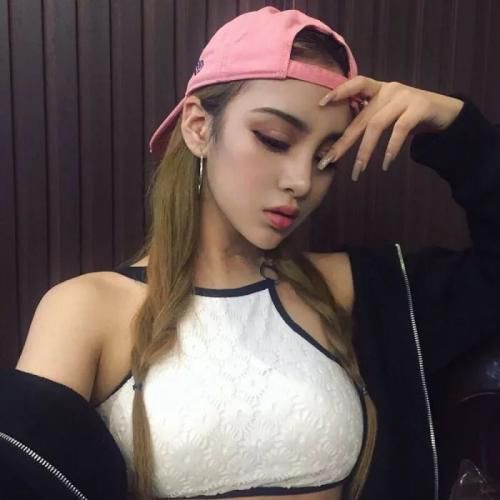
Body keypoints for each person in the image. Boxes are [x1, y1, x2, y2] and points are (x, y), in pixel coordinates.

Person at [0, 5, 498, 500]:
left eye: (326, 158)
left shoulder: (354, 290)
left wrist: (458, 132)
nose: (302, 181)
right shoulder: (87, 309)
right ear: (199, 127)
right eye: (274, 140)